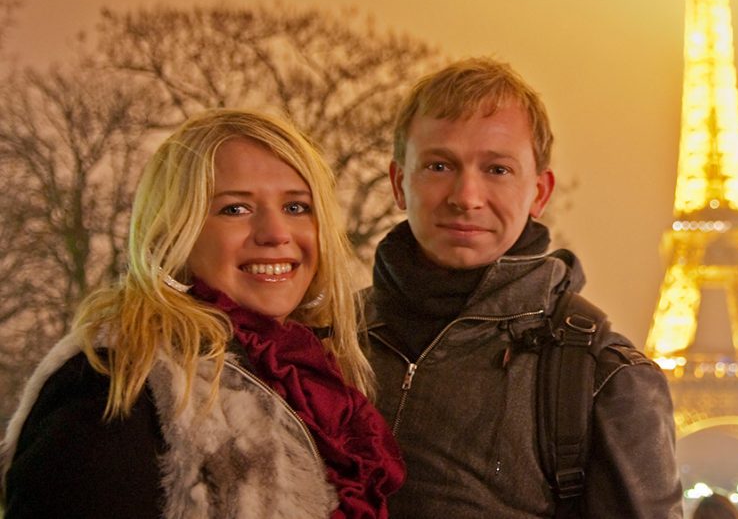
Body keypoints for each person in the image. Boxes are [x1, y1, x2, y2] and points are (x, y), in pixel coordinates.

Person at [0, 108, 404, 518]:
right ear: (175, 230)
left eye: (297, 207)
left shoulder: (312, 379)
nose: (276, 233)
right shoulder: (119, 381)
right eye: (235, 209)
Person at [363, 56, 683, 517]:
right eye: (438, 166)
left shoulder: (603, 376)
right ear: (398, 183)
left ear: (540, 192)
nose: (465, 197)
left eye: (497, 170)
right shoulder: (326, 341)